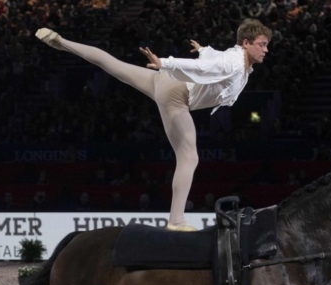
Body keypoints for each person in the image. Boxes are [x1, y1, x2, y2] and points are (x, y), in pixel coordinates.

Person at [35, 18, 271, 231]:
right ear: (247, 43)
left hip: (165, 83)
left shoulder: (235, 59)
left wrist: (203, 50)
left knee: (112, 65)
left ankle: (61, 42)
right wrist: (165, 63)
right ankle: (176, 220)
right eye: (262, 44)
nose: (266, 49)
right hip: (176, 93)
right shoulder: (234, 62)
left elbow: (213, 60)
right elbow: (205, 68)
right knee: (189, 158)